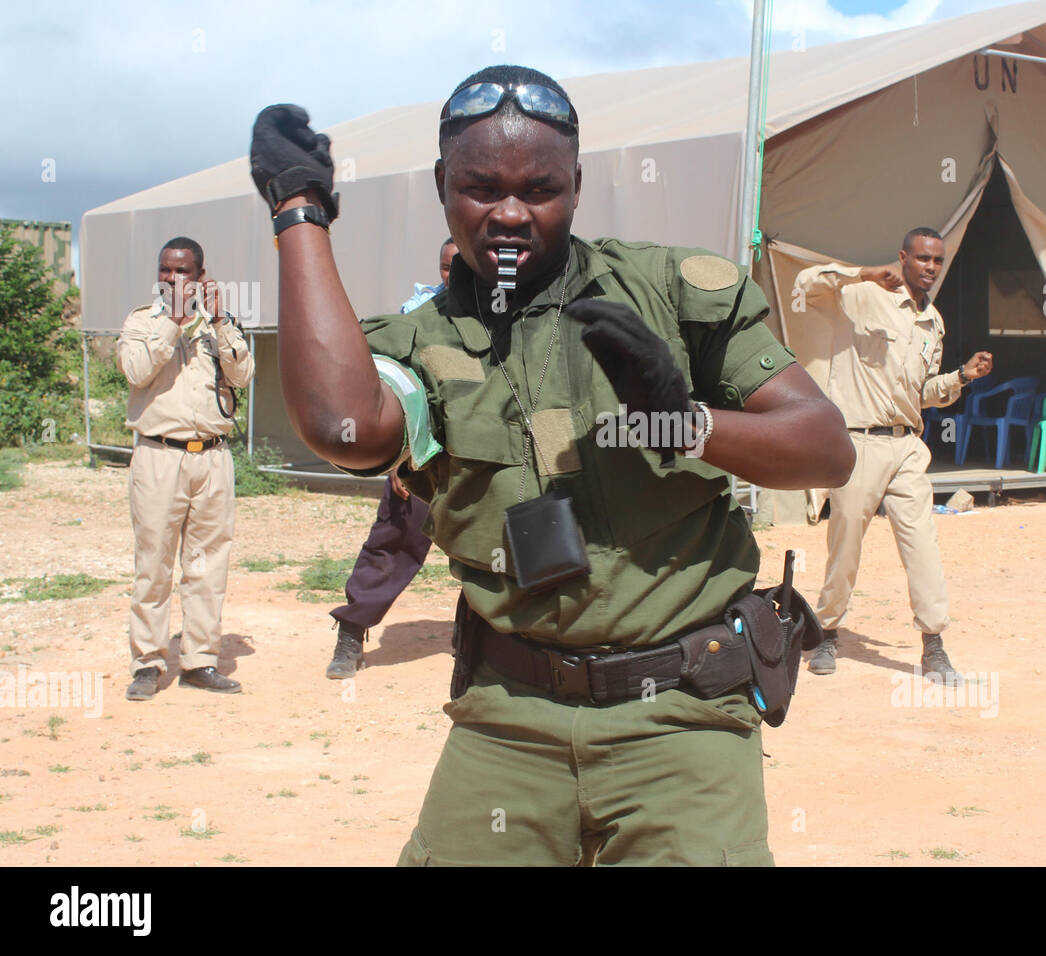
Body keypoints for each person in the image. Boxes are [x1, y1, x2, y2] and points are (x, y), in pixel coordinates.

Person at [248, 64, 854, 865]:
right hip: (510, 715)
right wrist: (301, 214)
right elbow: (342, 423)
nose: (508, 213)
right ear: (441, 184)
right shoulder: (416, 343)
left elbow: (826, 447)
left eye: (539, 189)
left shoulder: (673, 292)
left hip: (681, 710)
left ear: (577, 183)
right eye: (479, 187)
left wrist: (686, 421)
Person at [794, 228, 993, 683]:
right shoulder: (863, 296)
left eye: (938, 260)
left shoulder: (933, 323)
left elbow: (920, 394)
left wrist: (962, 376)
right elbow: (805, 285)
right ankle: (827, 631)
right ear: (903, 258)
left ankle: (934, 645)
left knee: (922, 543)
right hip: (859, 441)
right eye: (923, 258)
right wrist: (862, 272)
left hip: (907, 446)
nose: (931, 267)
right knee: (845, 543)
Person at [117, 237, 254, 700]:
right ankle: (148, 663)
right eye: (165, 271)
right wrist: (173, 325)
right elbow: (136, 370)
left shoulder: (220, 323)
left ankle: (200, 660)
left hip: (213, 457)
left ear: (200, 275)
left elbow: (243, 376)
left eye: (182, 272)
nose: (172, 280)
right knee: (153, 565)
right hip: (159, 456)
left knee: (207, 565)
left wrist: (217, 321)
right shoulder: (141, 322)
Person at [325, 238, 459, 680]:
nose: (452, 274)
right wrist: (401, 462)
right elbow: (398, 389)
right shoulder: (416, 318)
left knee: (497, 549)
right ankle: (352, 630)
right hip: (422, 459)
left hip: (482, 458)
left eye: (460, 264)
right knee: (394, 541)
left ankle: (478, 639)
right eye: (444, 266)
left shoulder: (505, 316)